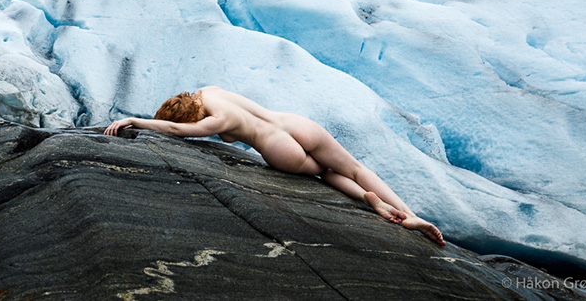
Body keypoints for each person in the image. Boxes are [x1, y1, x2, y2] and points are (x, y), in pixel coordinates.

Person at [103, 85, 445, 246]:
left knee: (325, 175)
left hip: (278, 149)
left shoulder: (213, 122)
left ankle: (369, 200)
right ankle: (403, 210)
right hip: (295, 124)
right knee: (352, 166)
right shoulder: (211, 92)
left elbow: (179, 130)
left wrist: (137, 120)